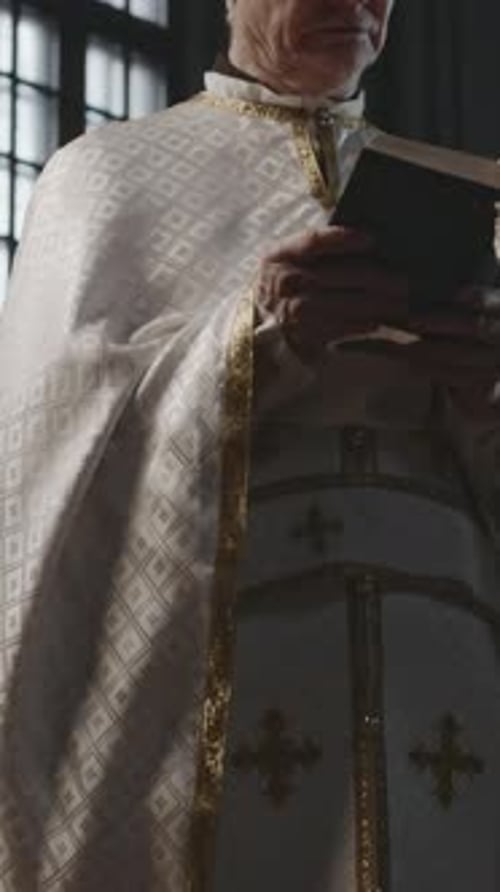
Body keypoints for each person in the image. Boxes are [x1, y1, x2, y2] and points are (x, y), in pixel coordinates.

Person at [0, 0, 499, 889]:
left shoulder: (455, 190)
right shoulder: (105, 176)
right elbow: (49, 447)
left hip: (453, 672)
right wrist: (257, 343)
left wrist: (481, 388)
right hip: (236, 657)